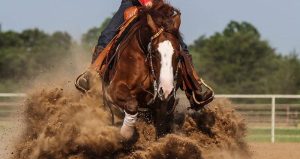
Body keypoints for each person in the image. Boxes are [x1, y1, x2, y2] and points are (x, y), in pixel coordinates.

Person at [76, 0, 213, 110]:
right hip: (132, 2)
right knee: (108, 35)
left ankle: (194, 88)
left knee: (176, 42)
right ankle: (93, 75)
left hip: (158, 5)